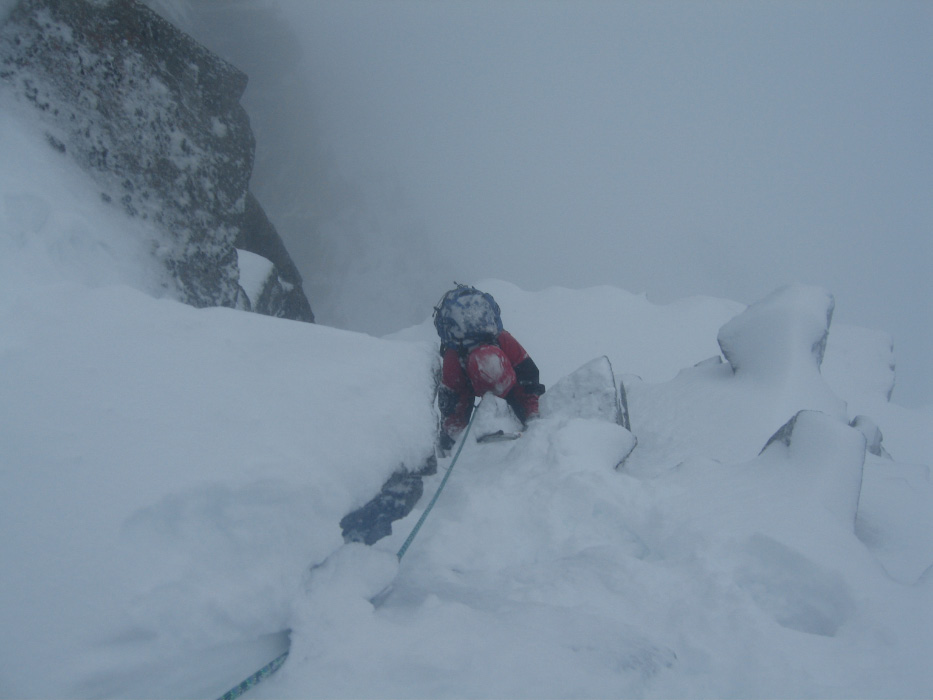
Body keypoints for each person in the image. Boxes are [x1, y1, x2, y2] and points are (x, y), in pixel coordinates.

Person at [433, 285, 545, 455]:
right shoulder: (454, 363)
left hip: (502, 376)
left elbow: (529, 380)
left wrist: (532, 416)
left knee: (521, 401)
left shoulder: (505, 341)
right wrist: (453, 442)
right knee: (452, 435)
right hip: (464, 377)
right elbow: (453, 412)